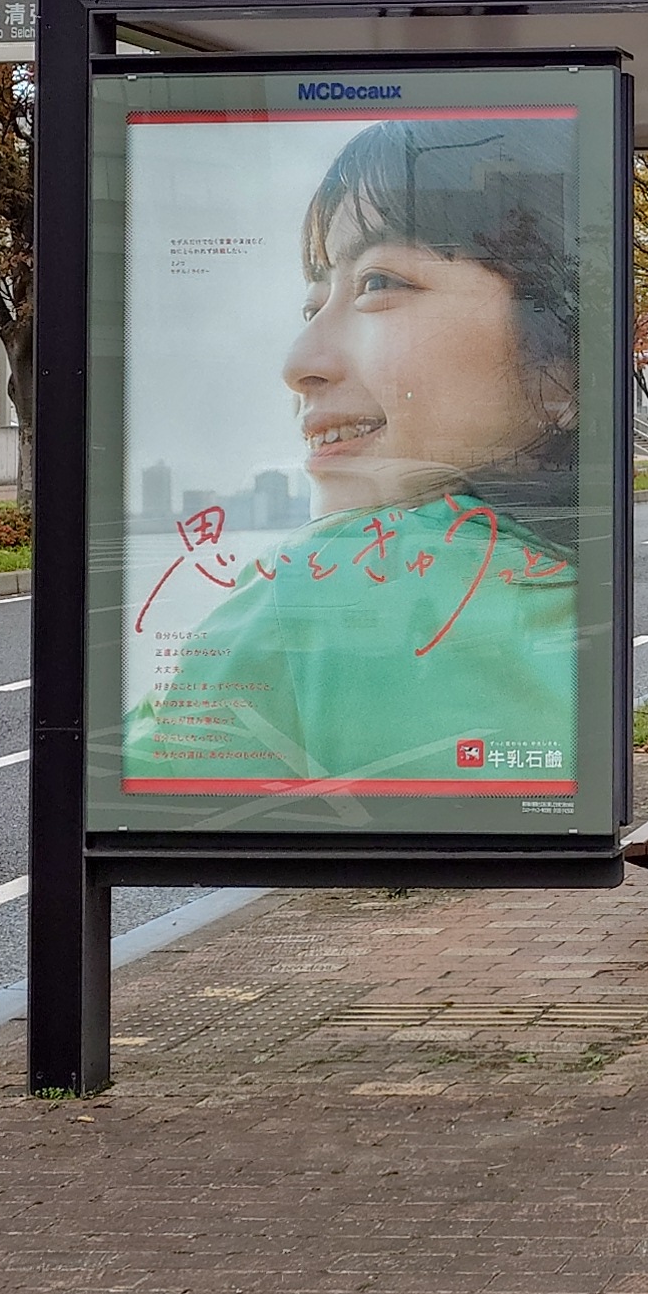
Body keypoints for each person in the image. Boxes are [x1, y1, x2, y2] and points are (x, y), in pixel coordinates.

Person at [124, 117, 581, 807]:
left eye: (377, 284)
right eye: (315, 304)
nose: (299, 365)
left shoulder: (337, 585)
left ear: (563, 359)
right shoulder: (572, 579)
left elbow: (112, 790)